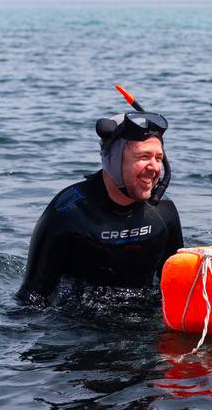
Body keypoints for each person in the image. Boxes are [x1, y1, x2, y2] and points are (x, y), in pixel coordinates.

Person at [17, 105, 183, 306]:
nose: (154, 167)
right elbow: (31, 298)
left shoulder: (163, 213)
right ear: (113, 159)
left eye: (158, 158)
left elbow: (179, 287)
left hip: (142, 317)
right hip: (77, 320)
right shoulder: (68, 213)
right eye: (143, 157)